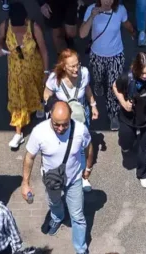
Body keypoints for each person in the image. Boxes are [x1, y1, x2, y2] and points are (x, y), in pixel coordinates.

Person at [22, 102, 95, 254]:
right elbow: (29, 157)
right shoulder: (39, 132)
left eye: (65, 124)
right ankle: (57, 217)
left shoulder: (80, 130)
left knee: (78, 216)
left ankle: (81, 248)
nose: (61, 129)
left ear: (70, 118)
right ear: (50, 116)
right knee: (54, 202)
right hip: (52, 180)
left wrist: (88, 168)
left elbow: (89, 147)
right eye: (56, 124)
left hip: (74, 179)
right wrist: (25, 183)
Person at [44, 49, 100, 190]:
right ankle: (62, 173)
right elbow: (46, 94)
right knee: (63, 145)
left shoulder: (84, 73)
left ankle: (83, 176)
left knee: (82, 146)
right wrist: (54, 108)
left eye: (78, 64)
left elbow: (87, 89)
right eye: (72, 66)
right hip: (64, 119)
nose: (76, 69)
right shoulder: (54, 78)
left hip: (81, 115)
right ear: (64, 67)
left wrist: (93, 105)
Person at [0, 5, 50, 151]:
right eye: (15, 27)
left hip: (34, 68)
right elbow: (0, 39)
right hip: (15, 72)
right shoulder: (5, 26)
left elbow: (43, 50)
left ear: (26, 20)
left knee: (37, 90)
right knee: (17, 100)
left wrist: (46, 72)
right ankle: (18, 133)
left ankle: (39, 105)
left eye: (20, 27)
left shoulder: (34, 28)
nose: (17, 30)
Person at [79, 0, 134, 132]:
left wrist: (132, 32)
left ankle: (113, 113)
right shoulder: (91, 9)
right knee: (98, 77)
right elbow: (82, 34)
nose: (108, 1)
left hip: (116, 55)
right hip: (97, 54)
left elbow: (126, 23)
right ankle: (98, 84)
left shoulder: (120, 10)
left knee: (113, 86)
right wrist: (92, 17)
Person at [113, 52, 146, 188]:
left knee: (145, 147)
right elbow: (115, 87)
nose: (145, 76)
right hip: (129, 117)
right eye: (142, 73)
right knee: (126, 139)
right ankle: (127, 145)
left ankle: (142, 173)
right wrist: (124, 103)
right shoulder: (127, 77)